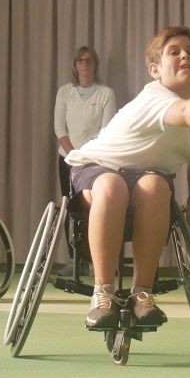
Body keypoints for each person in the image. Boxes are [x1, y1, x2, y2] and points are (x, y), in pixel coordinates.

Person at [65, 26, 190, 329]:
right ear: (155, 70)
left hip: (147, 178)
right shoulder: (157, 97)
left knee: (155, 187)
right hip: (97, 168)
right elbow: (185, 112)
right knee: (112, 187)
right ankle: (103, 294)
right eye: (174, 51)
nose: (184, 55)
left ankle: (142, 294)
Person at [53, 46, 116, 276]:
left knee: (95, 209)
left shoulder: (106, 94)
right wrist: (73, 156)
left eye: (89, 61)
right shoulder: (65, 93)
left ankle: (93, 261)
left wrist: (87, 158)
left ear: (95, 65)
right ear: (75, 66)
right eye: (81, 61)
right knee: (72, 209)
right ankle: (73, 260)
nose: (85, 65)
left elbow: (106, 130)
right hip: (68, 160)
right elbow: (60, 129)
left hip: (95, 162)